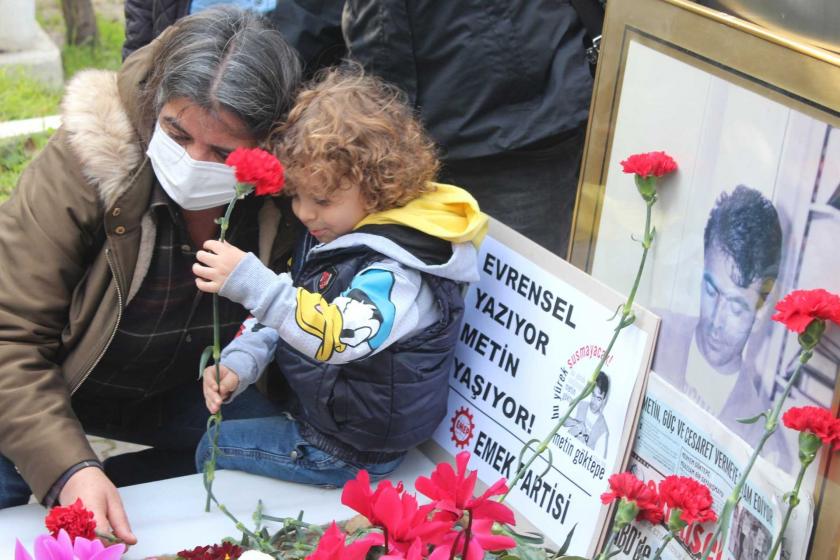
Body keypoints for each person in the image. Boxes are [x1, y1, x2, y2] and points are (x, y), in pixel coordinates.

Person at [0, 7, 301, 544]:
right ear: (154, 103)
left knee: (282, 449)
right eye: (177, 133)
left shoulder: (287, 194)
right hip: (56, 381)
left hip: (179, 388)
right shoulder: (89, 162)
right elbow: (10, 339)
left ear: (268, 146)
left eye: (223, 153)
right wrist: (68, 468)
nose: (192, 161)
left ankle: (121, 495)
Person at [192, 67, 487, 486]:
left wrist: (250, 281)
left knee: (211, 445)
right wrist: (243, 360)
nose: (304, 212)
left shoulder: (397, 271)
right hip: (330, 416)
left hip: (350, 451)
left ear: (380, 186)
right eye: (295, 195)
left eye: (323, 200)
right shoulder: (342, 230)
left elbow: (337, 334)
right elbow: (299, 299)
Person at [124, 1, 592, 256]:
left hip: (513, 128)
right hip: (372, 134)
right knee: (369, 297)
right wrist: (248, 72)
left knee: (513, 304)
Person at [653, 185, 784, 456]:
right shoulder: (651, 330)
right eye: (711, 291)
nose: (716, 320)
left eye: (736, 307)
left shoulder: (764, 441)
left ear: (761, 312)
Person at [564, 371, 610, 456]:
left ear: (604, 400)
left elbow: (598, 460)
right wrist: (576, 423)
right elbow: (561, 420)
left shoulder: (604, 431)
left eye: (599, 399)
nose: (594, 401)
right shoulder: (580, 404)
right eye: (593, 395)